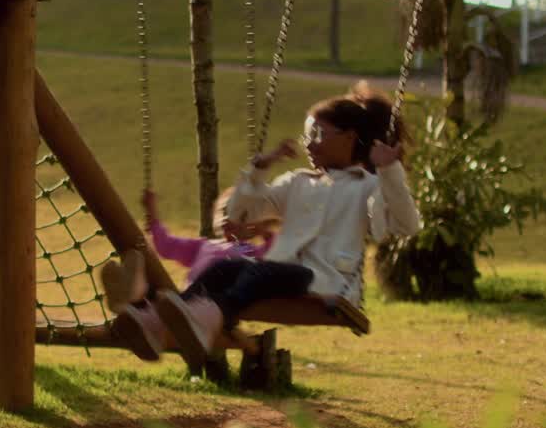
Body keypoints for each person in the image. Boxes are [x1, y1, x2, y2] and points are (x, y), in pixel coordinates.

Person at [113, 82, 422, 367]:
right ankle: (156, 322)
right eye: (306, 137)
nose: (309, 146)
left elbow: (405, 226)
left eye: (317, 135)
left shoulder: (367, 187)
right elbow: (241, 214)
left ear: (349, 137)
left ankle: (205, 319)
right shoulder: (299, 183)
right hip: (284, 274)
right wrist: (258, 171)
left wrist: (390, 171)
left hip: (329, 282)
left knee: (258, 270)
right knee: (224, 269)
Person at [99, 188, 278, 360]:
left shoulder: (250, 251)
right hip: (185, 302)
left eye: (240, 215)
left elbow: (277, 256)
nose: (227, 218)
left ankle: (139, 311)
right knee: (160, 300)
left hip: (217, 306)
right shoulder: (205, 245)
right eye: (224, 211)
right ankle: (130, 304)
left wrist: (267, 234)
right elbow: (167, 246)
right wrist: (152, 212)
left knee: (170, 310)